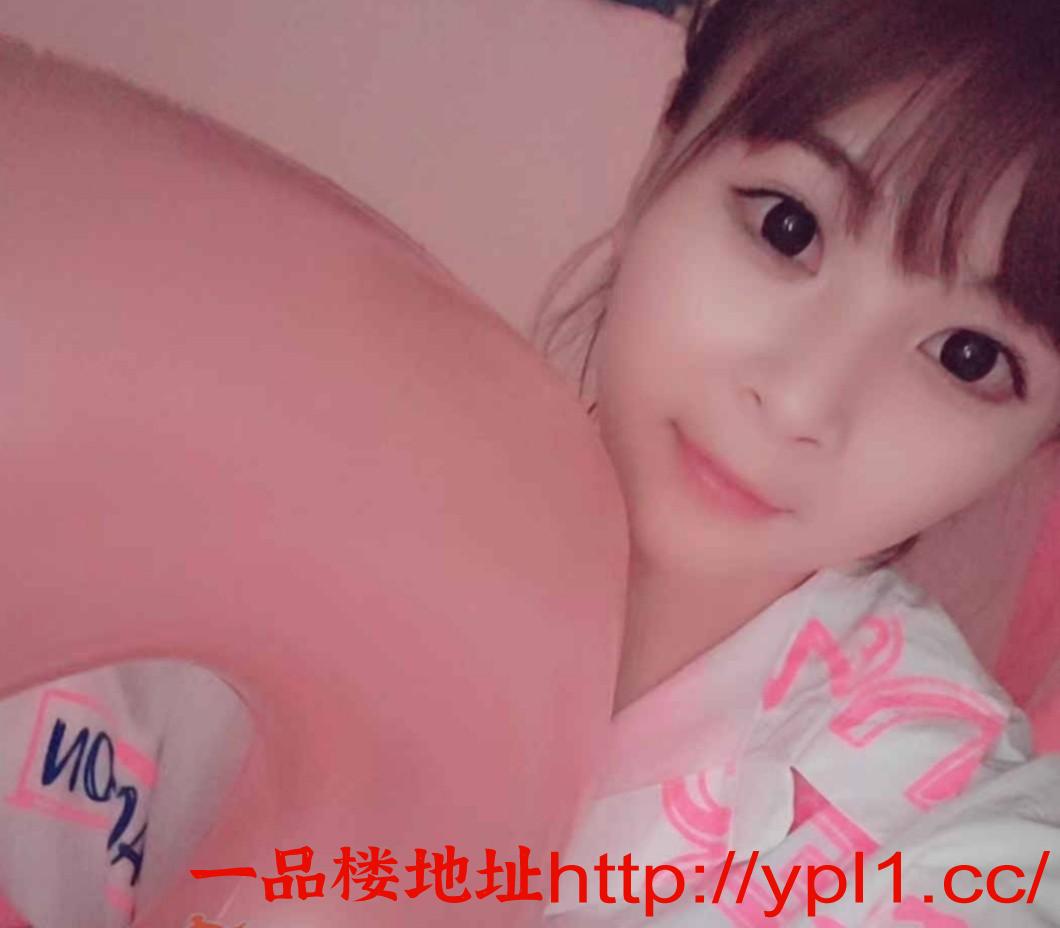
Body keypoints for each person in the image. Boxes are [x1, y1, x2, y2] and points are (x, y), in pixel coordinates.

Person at [531, 0, 1060, 923]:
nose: (802, 404)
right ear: (666, 152)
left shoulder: (949, 829)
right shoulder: (343, 481)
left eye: (968, 357)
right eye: (788, 225)